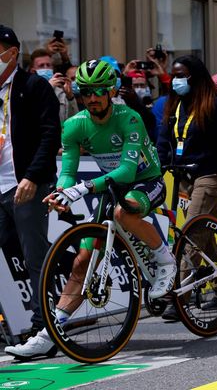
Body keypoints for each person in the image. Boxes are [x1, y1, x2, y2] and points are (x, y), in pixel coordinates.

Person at [25, 59, 175, 359]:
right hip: (110, 187)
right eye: (85, 92)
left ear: (111, 91)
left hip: (145, 180)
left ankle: (166, 261)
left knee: (124, 212)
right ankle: (50, 332)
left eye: (98, 92)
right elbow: (67, 171)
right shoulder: (74, 125)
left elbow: (127, 172)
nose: (91, 98)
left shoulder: (129, 118)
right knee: (82, 260)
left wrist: (84, 188)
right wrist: (62, 190)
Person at [156, 55, 217, 320]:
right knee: (204, 234)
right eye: (173, 75)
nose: (176, 81)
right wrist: (158, 170)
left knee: (192, 234)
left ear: (195, 77)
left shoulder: (215, 106)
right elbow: (164, 142)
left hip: (212, 175)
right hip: (185, 178)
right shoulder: (173, 106)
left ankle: (179, 296)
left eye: (181, 75)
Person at [0, 25, 61, 360]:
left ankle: (45, 330)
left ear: (11, 52)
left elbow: (50, 134)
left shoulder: (33, 86)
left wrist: (33, 177)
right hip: (0, 184)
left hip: (25, 186)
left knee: (34, 257)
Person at [29, 48, 78, 123]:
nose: (46, 68)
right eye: (41, 66)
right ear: (33, 71)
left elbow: (75, 122)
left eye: (48, 65)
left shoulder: (62, 93)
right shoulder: (26, 91)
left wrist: (70, 97)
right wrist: (47, 89)